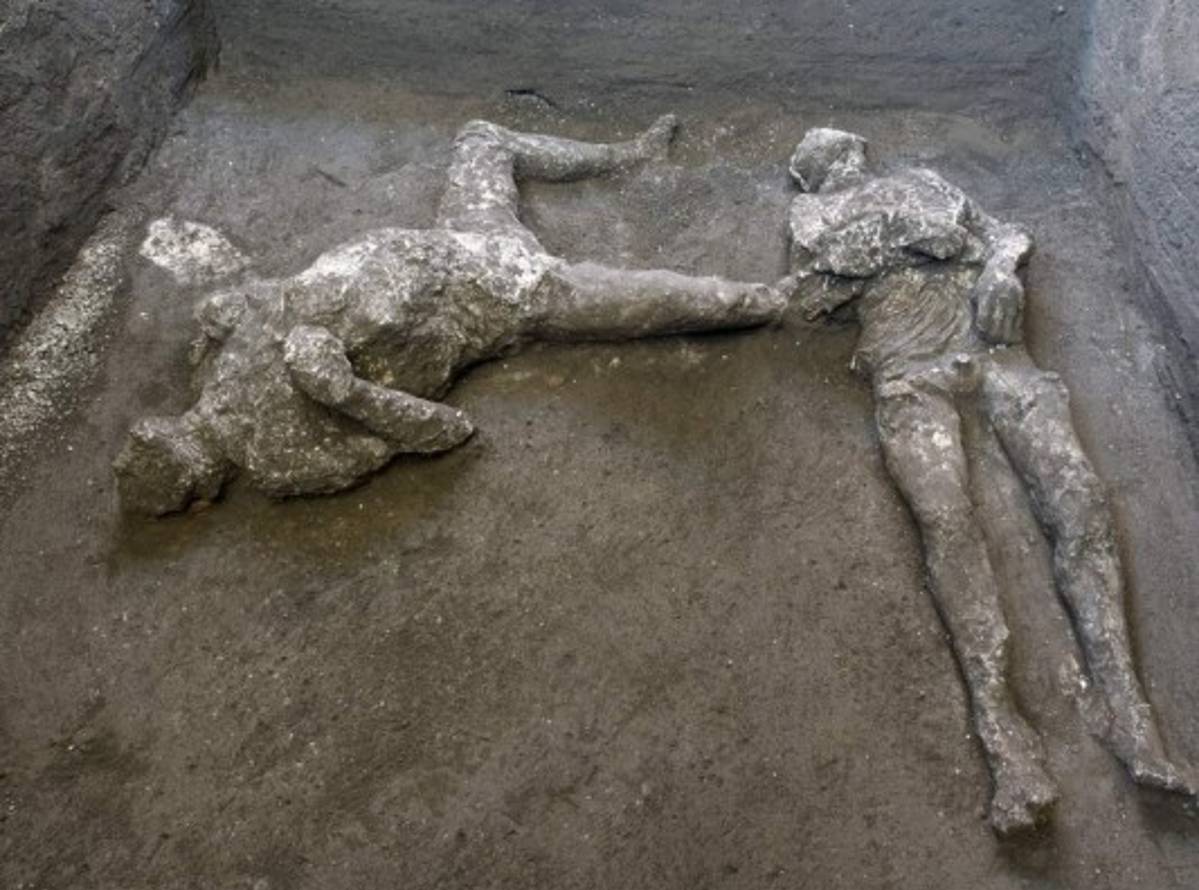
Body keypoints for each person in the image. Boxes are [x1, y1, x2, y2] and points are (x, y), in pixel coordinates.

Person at [783, 127, 1194, 834]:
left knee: (1081, 504)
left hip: (997, 353)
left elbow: (1004, 232)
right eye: (825, 156)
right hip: (909, 373)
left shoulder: (923, 180)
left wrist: (1001, 269)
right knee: (947, 522)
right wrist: (924, 238)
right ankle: (1003, 733)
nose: (843, 158)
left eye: (846, 148)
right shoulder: (810, 214)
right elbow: (818, 282)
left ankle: (1127, 709)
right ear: (811, 173)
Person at [115, 115, 786, 514]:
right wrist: (343, 391)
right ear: (206, 485)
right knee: (678, 300)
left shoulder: (208, 376)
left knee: (483, 138)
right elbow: (447, 431)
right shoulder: (282, 464)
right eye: (193, 439)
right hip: (498, 295)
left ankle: (626, 155)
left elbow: (242, 310)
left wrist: (226, 312)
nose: (203, 417)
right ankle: (779, 297)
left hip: (452, 239)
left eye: (182, 422)